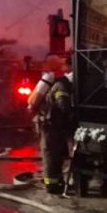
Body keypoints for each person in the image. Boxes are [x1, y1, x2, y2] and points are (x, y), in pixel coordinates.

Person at [29, 55, 74, 194]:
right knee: (53, 155)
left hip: (51, 125)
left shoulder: (56, 82)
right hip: (54, 125)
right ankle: (54, 183)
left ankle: (54, 183)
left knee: (52, 154)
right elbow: (63, 105)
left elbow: (60, 104)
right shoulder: (61, 83)